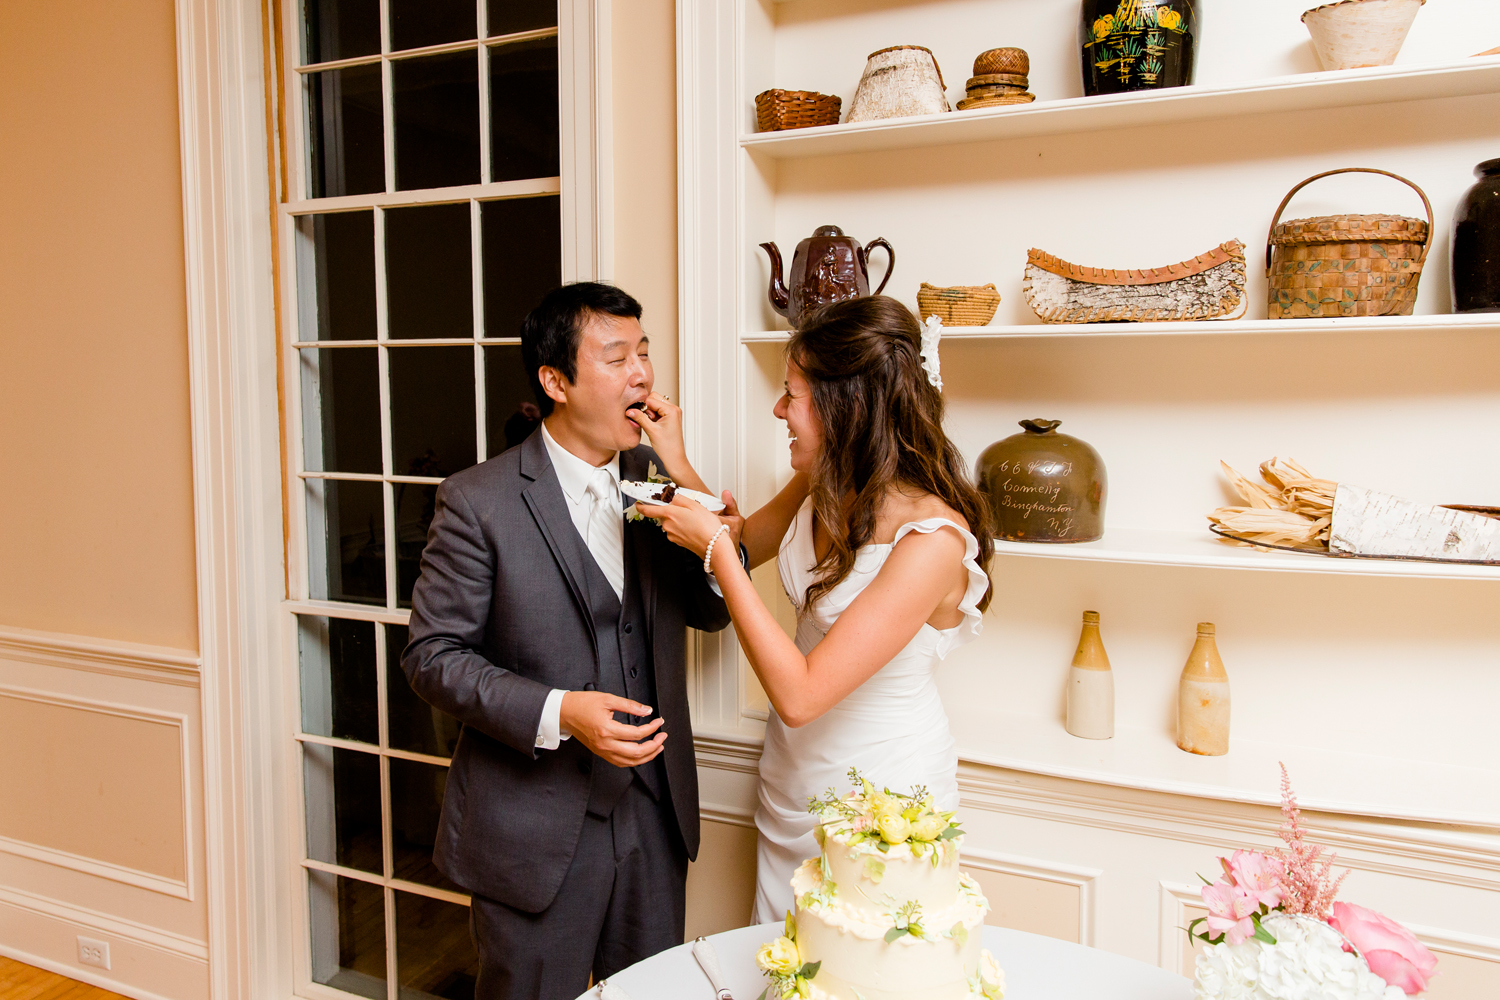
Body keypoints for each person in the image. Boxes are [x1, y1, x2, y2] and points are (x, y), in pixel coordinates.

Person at [401, 282, 730, 1000]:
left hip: (652, 816)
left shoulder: (656, 483)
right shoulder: (476, 500)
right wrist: (561, 712)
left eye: (644, 353)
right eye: (616, 357)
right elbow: (432, 657)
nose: (641, 373)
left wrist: (682, 477)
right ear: (555, 381)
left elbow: (714, 608)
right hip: (532, 828)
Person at [641, 295, 994, 923]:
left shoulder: (932, 541)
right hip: (792, 777)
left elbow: (801, 696)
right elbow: (746, 543)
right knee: (780, 967)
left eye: (791, 396)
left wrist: (717, 547)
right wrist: (676, 460)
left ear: (845, 407)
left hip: (883, 795)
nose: (778, 410)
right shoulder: (822, 479)